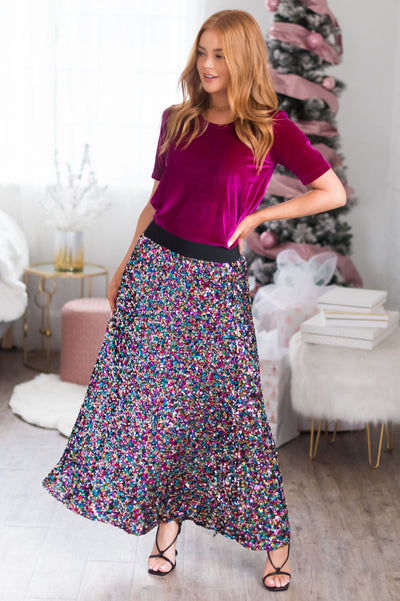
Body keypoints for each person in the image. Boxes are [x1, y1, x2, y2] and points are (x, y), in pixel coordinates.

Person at [42, 9, 346, 593]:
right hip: (156, 271)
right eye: (202, 52)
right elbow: (157, 201)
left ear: (243, 59)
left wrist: (258, 216)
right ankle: (166, 530)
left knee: (233, 413)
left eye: (220, 55)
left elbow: (328, 190)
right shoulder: (176, 119)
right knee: (152, 410)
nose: (207, 65)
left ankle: (274, 539)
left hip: (213, 285)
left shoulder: (269, 127)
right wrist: (125, 263)